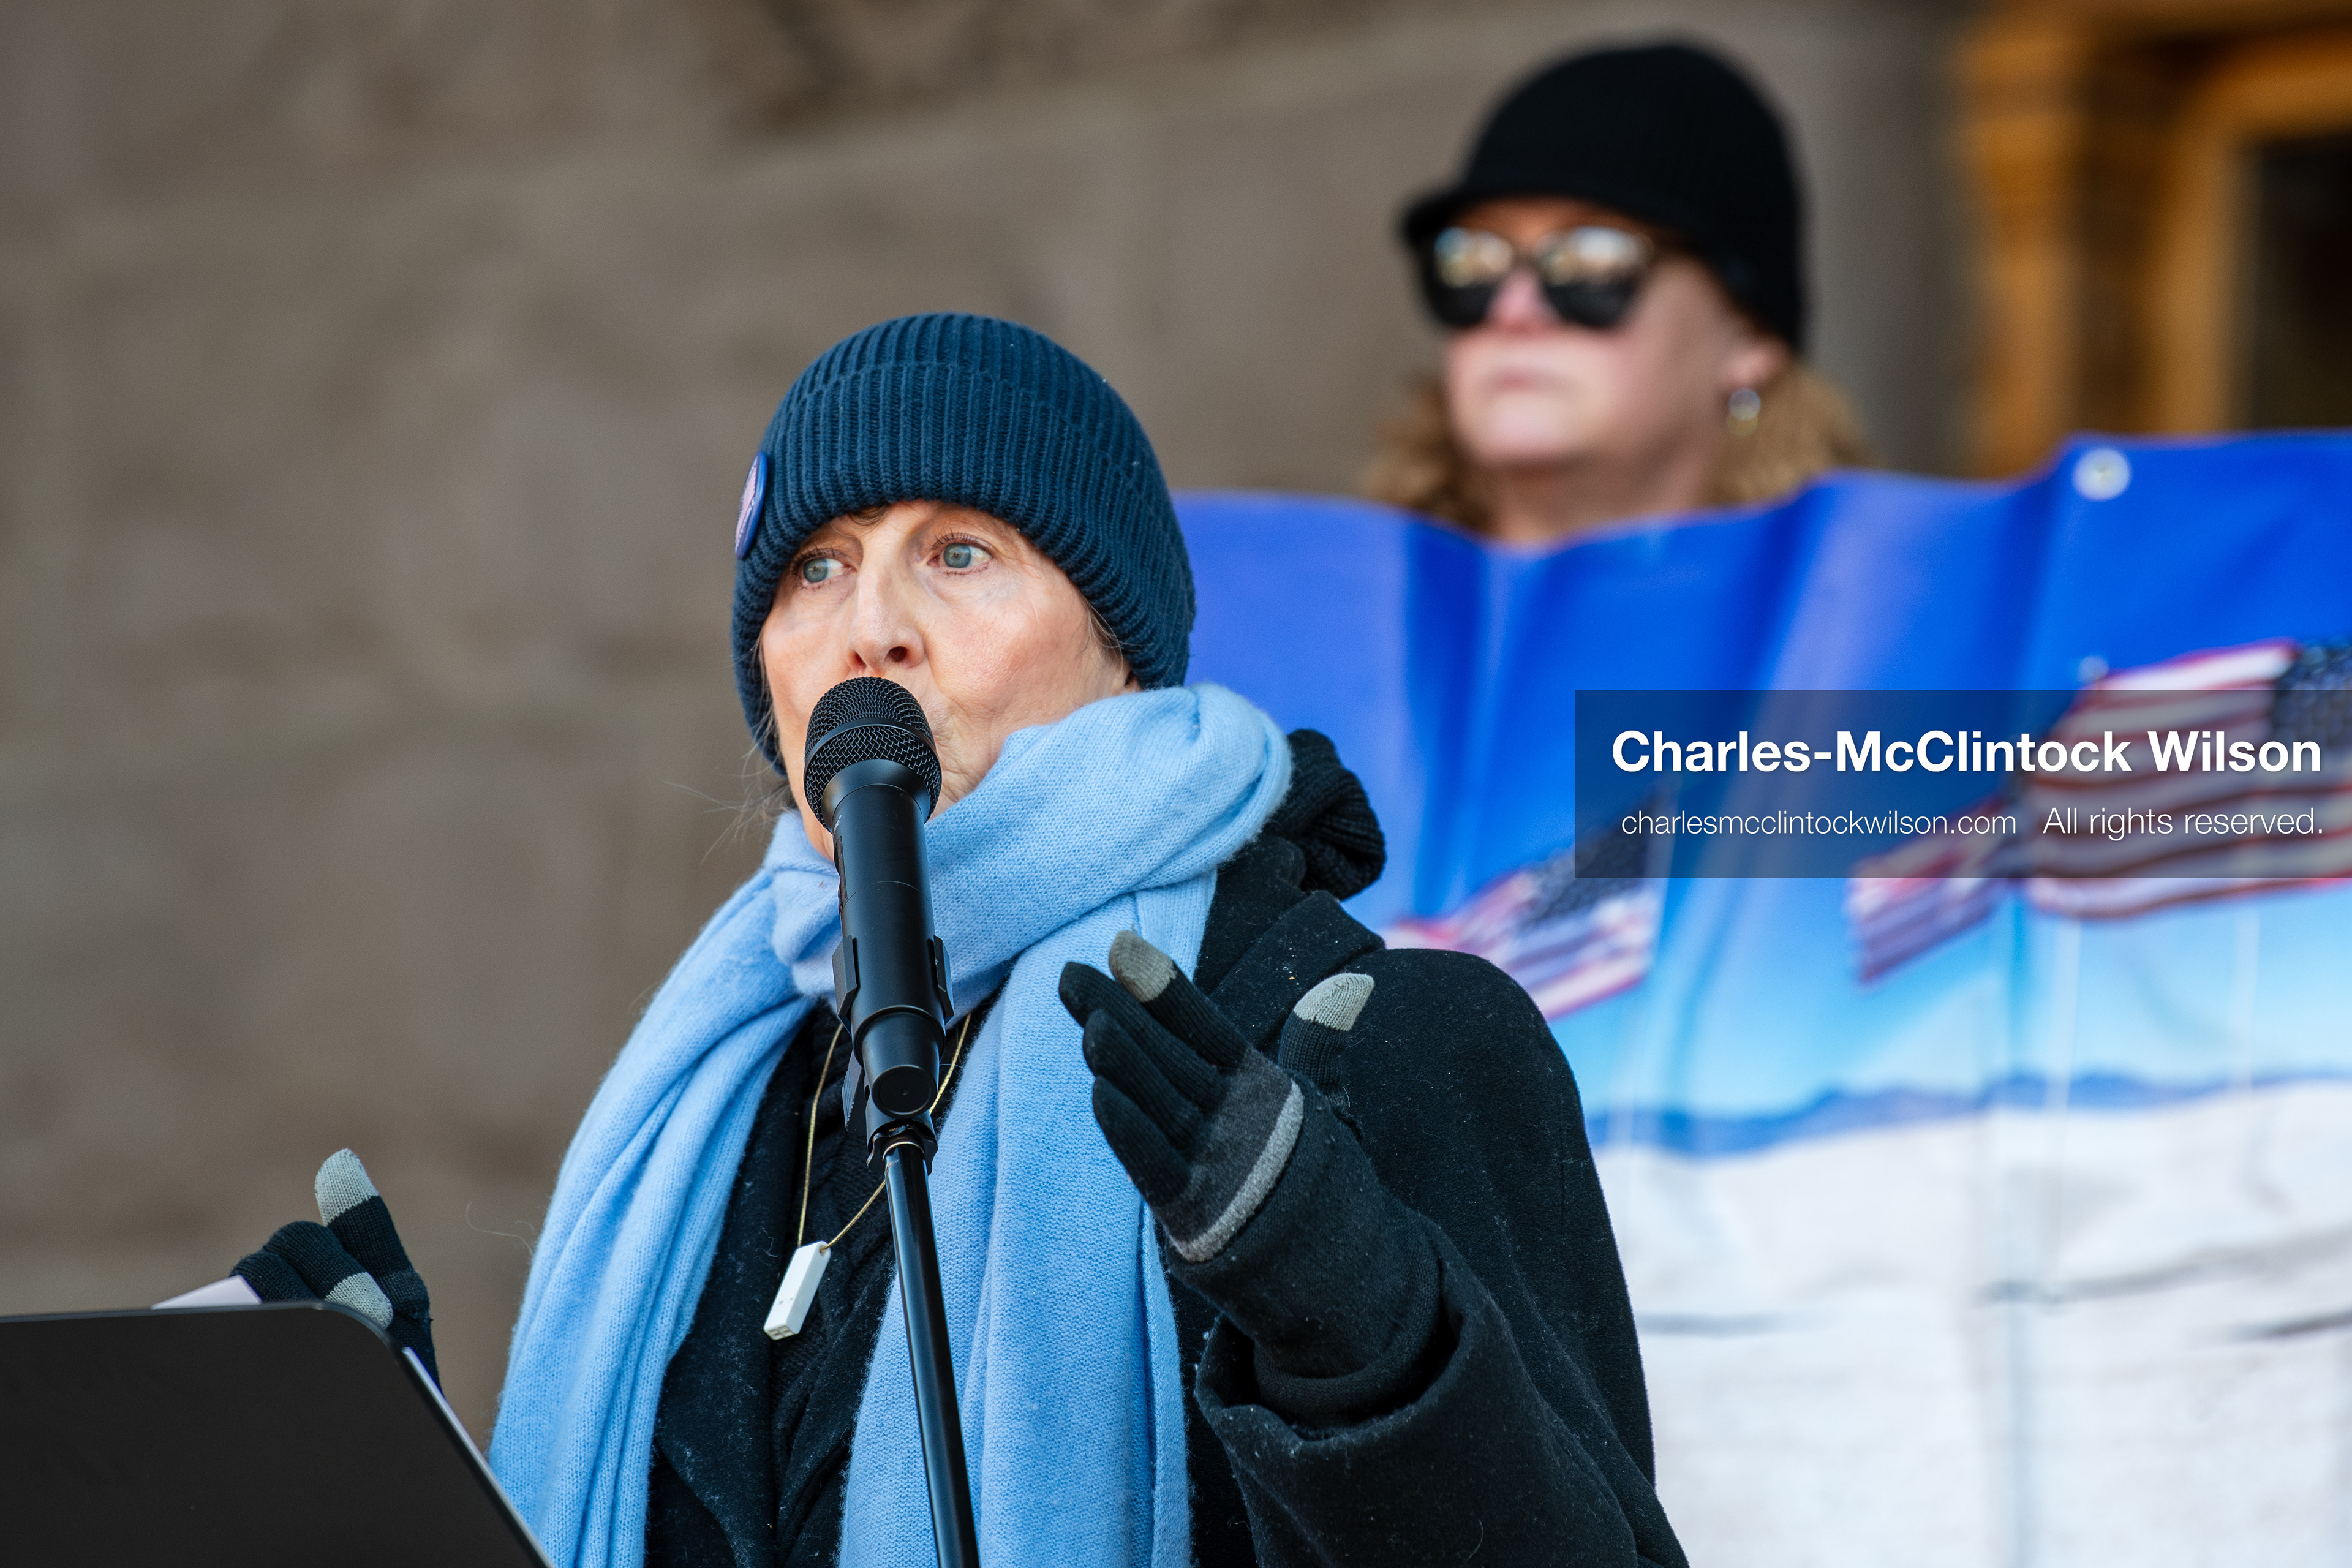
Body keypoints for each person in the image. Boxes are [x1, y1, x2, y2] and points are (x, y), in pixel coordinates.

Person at [233, 313, 1686, 1568]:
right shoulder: (718, 1101)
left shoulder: (1368, 1032)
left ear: (1118, 647)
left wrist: (1360, 1325)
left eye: (960, 552)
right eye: (812, 566)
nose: (871, 626)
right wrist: (383, 1470)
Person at [1365, 42, 1871, 543]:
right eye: (1472, 260)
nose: (1512, 310)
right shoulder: (1345, 600)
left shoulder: (1858, 608)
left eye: (1592, 261)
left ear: (1750, 336)